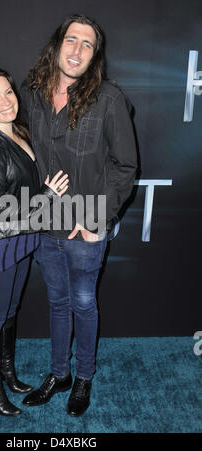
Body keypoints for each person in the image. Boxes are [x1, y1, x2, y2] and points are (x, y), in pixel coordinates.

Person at [20, 14, 138, 416]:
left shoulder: (108, 99)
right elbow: (20, 155)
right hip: (45, 224)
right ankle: (60, 373)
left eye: (88, 44)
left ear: (95, 56)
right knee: (57, 301)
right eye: (72, 39)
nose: (77, 50)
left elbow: (126, 165)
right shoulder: (31, 92)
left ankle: (83, 376)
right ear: (57, 44)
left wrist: (97, 219)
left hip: (85, 226)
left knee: (83, 303)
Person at [0, 65, 69, 417]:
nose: (6, 101)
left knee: (11, 312)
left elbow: (23, 196)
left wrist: (44, 195)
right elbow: (0, 212)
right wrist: (47, 199)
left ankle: (8, 373)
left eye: (8, 92)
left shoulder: (20, 133)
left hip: (22, 240)